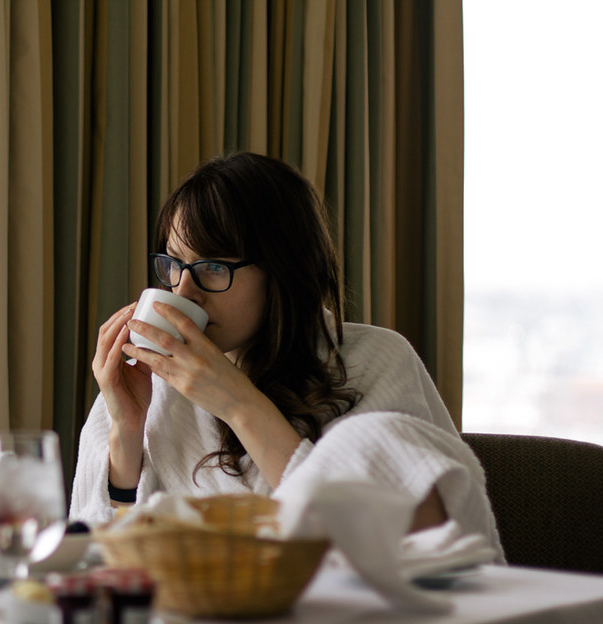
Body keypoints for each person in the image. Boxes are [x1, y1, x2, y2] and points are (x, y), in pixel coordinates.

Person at [70, 152, 501, 556]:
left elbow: (388, 549)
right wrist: (126, 432)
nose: (184, 291)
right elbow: (94, 556)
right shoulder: (153, 379)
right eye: (174, 264)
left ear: (282, 270)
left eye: (215, 267)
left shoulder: (373, 361)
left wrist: (238, 404)